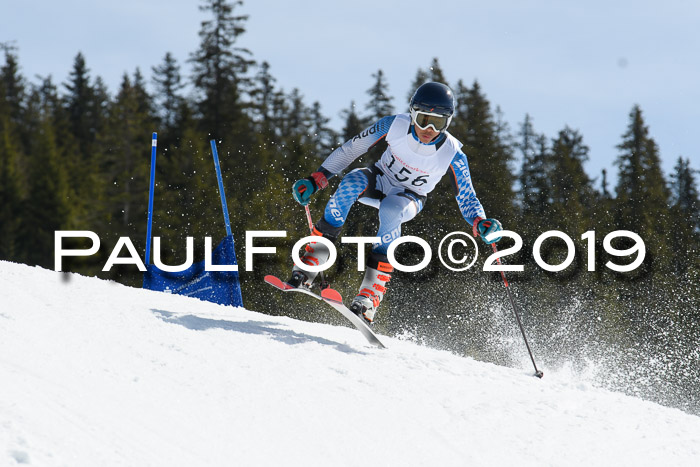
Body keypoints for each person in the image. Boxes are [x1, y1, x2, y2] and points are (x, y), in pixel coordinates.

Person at [288, 82, 502, 324]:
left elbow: (467, 197)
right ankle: (310, 264)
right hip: (379, 180)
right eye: (423, 119)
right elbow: (351, 149)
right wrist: (318, 178)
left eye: (438, 122)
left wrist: (480, 221)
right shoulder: (394, 125)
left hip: (409, 197)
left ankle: (369, 296)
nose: (429, 128)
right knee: (350, 183)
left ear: (448, 122)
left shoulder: (452, 153)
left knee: (391, 209)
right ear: (412, 113)